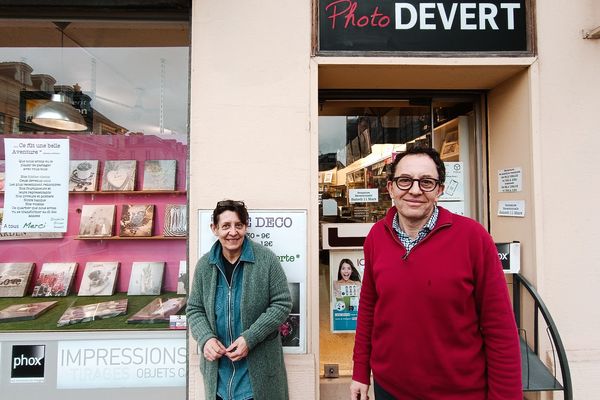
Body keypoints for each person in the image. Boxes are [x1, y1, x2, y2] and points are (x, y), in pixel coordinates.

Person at [351, 147, 522, 400]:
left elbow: (500, 330)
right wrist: (360, 371)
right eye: (405, 180)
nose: (415, 190)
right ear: (390, 188)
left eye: (427, 182)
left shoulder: (473, 239)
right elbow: (368, 308)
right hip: (390, 388)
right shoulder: (377, 236)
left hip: (458, 392)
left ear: (440, 190)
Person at [187, 200, 292, 400]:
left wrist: (250, 338)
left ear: (246, 226)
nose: (233, 232)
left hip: (256, 378)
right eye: (225, 226)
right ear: (214, 228)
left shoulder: (267, 260)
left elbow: (282, 304)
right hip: (219, 378)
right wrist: (205, 338)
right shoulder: (204, 266)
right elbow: (194, 309)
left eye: (238, 225)